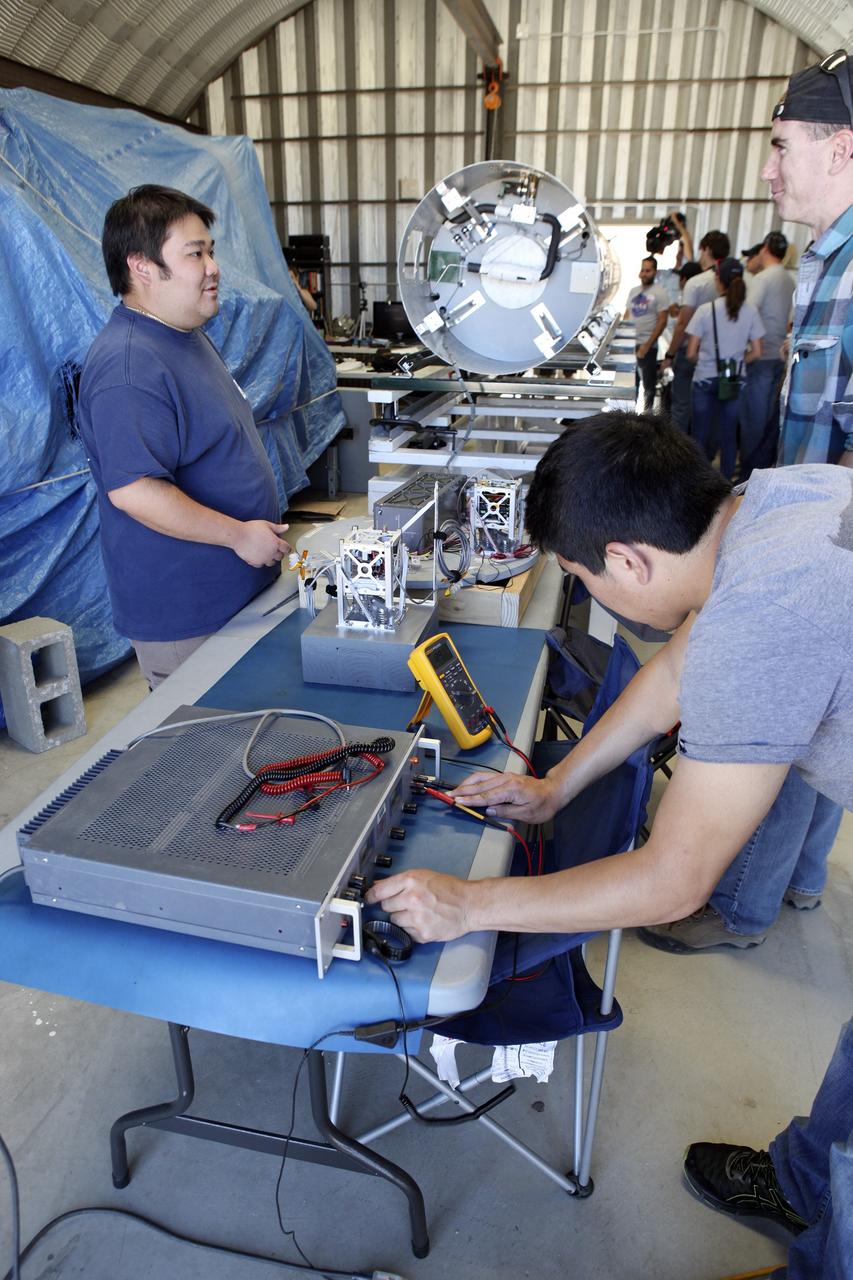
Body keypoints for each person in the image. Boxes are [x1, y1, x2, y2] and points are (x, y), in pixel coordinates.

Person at [366, 410, 853, 1280]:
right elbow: (674, 672)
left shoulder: (764, 615)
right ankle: (804, 1182)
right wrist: (557, 787)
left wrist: (469, 901)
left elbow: (673, 881)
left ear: (628, 558)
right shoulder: (768, 506)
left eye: (587, 579)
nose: (599, 599)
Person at [639, 49, 853, 957]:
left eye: (780, 146)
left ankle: (735, 908)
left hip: (832, 554)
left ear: (840, 146)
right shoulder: (823, 263)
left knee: (782, 720)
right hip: (823, 542)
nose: (767, 169)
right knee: (822, 718)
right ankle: (799, 878)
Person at [77, 185, 291, 690]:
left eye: (210, 251)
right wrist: (240, 535)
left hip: (235, 593)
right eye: (195, 253)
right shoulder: (129, 365)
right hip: (188, 614)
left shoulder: (182, 336)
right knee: (204, 755)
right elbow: (135, 491)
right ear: (142, 266)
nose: (212, 266)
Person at [684, 257, 764, 479]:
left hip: (704, 379)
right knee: (728, 436)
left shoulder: (705, 310)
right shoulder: (750, 311)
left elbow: (691, 353)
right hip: (734, 378)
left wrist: (706, 361)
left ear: (718, 280)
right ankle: (726, 485)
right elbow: (758, 352)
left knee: (700, 435)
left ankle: (697, 482)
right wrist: (737, 362)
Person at [738, 232, 795, 479]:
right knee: (768, 417)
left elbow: (747, 316)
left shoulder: (762, 279)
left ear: (765, 249)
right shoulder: (789, 279)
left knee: (753, 418)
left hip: (759, 357)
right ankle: (759, 468)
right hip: (778, 357)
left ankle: (749, 476)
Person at [662, 230, 731, 433]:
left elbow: (683, 324)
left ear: (707, 249)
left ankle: (677, 455)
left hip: (690, 353)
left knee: (681, 406)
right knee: (710, 411)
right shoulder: (737, 283)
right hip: (723, 356)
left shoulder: (698, 282)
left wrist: (670, 354)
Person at [623, 257, 670, 412]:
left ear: (654, 272)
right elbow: (627, 314)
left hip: (647, 345)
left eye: (648, 270)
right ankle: (629, 416)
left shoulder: (660, 293)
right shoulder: (634, 291)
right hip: (630, 344)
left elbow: (662, 321)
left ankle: (647, 417)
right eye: (642, 269)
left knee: (648, 386)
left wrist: (647, 345)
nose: (644, 273)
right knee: (630, 385)